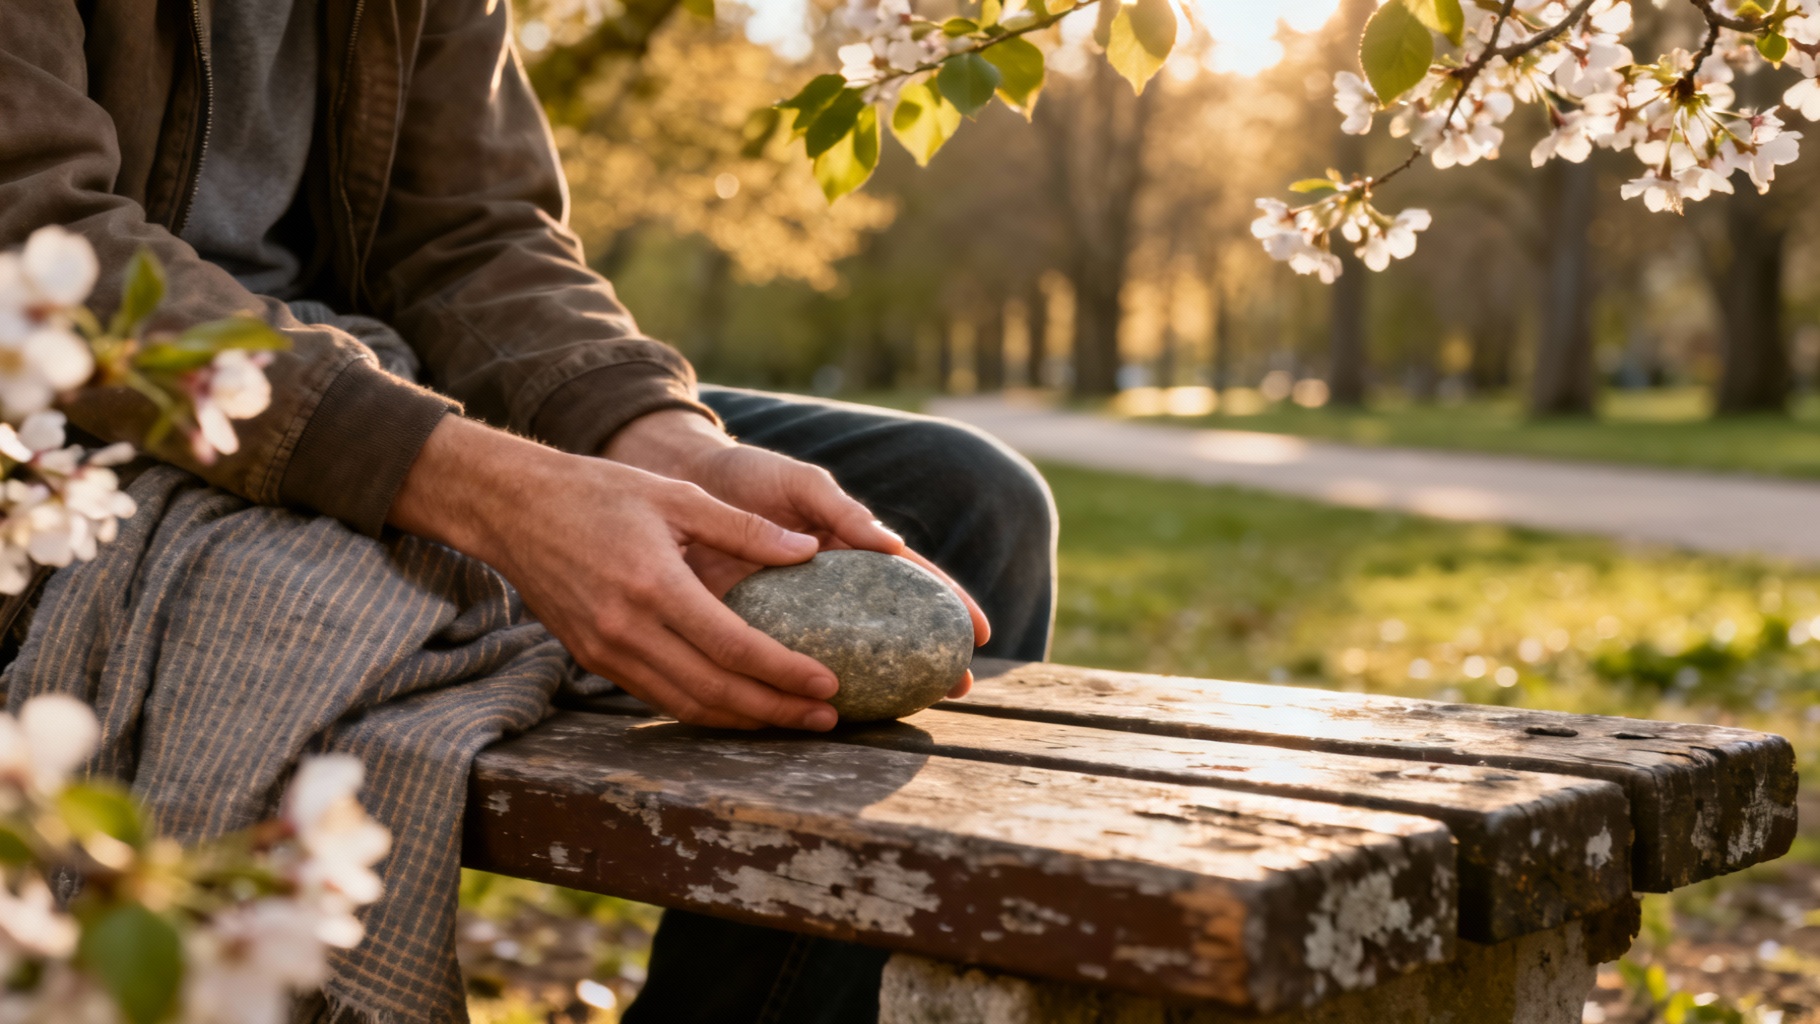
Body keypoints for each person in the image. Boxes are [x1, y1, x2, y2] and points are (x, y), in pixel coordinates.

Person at [0, 2, 1056, 1022]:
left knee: (960, 500)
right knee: (313, 595)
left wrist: (665, 443)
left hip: (384, 372)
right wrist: (488, 490)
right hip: (65, 420)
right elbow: (33, 223)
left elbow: (474, 235)